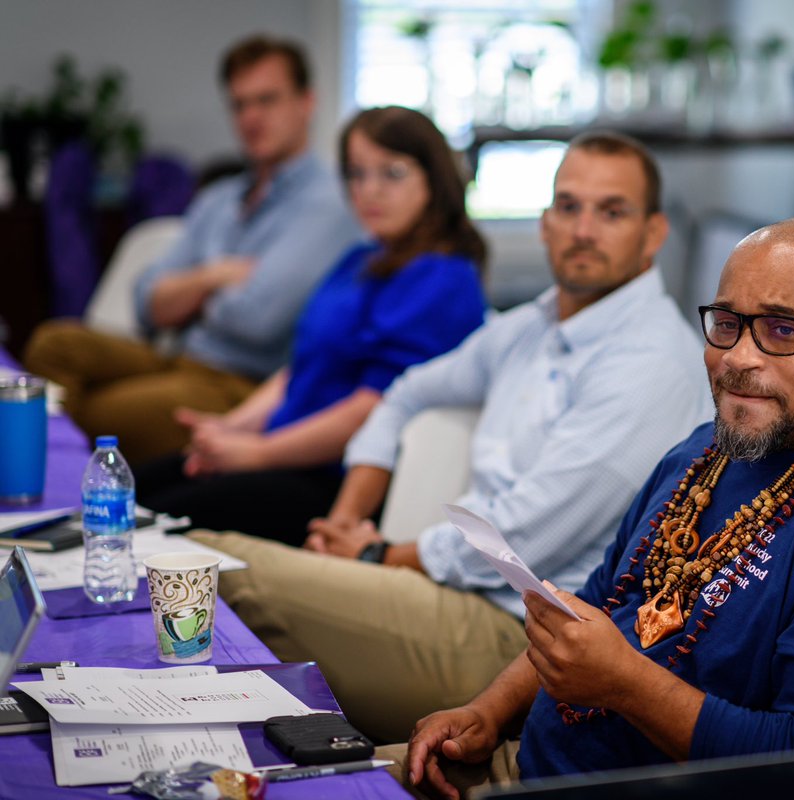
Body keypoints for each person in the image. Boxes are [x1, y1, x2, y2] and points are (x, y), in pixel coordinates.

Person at [390, 217, 794, 800]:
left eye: (780, 330)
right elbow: (597, 604)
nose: (738, 357)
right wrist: (488, 711)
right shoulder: (701, 452)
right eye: (726, 324)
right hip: (525, 763)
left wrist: (625, 685)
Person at [190, 130, 715, 742]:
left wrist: (376, 555)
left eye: (612, 211)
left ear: (654, 233)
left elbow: (526, 534)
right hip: (449, 585)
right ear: (545, 223)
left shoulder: (650, 362)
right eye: (568, 207)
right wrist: (346, 517)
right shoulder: (532, 326)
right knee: (210, 556)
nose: (583, 229)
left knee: (218, 566)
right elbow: (406, 389)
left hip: (519, 639)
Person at [133, 106, 488, 542]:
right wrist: (233, 427)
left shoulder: (443, 278)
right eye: (356, 174)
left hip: (337, 480)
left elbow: (372, 410)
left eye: (390, 173)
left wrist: (257, 453)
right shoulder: (362, 259)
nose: (369, 191)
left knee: (153, 523)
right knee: (132, 490)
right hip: (285, 452)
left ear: (434, 180)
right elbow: (302, 367)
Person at [23, 34, 361, 465]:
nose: (251, 117)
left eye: (267, 100)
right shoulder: (218, 198)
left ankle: (50, 502)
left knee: (88, 414)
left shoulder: (330, 201)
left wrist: (185, 297)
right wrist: (214, 277)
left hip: (238, 384)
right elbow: (146, 300)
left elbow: (257, 319)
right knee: (53, 343)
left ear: (306, 102)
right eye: (239, 104)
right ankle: (42, 493)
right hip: (173, 355)